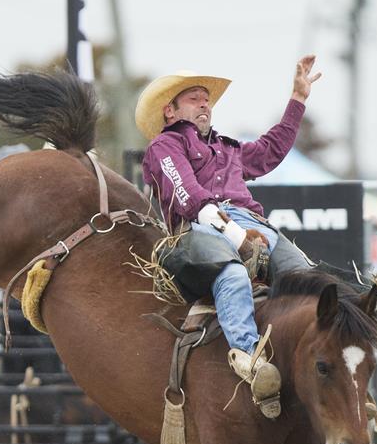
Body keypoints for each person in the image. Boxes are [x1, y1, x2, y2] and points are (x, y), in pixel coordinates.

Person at [135, 57, 321, 419]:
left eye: (206, 98)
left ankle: (323, 362)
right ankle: (249, 357)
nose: (205, 104)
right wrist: (236, 235)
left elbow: (270, 151)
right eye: (193, 98)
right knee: (232, 274)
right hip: (198, 231)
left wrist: (298, 98)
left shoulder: (229, 148)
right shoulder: (164, 147)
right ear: (169, 111)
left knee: (306, 279)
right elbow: (188, 196)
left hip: (252, 224)